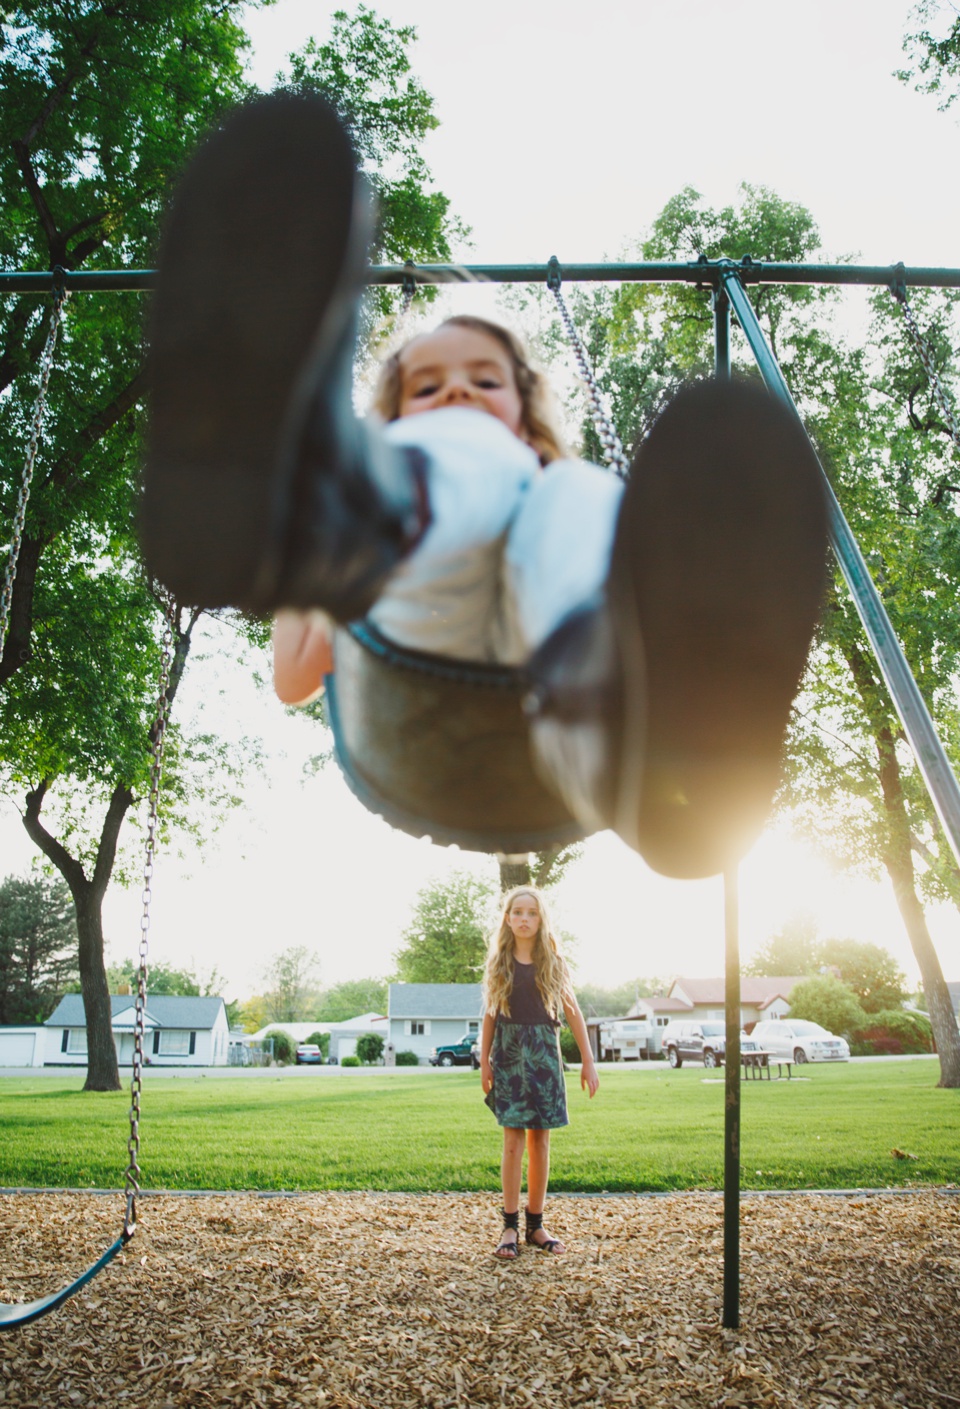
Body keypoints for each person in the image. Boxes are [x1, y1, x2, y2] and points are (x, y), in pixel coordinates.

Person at [142, 90, 828, 879]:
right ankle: (349, 510)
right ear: (387, 419)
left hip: (568, 726)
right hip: (406, 704)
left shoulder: (554, 493)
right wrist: (322, 601)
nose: (456, 393)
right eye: (425, 387)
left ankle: (640, 700)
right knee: (496, 472)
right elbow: (295, 680)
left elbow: (552, 492)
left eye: (483, 381)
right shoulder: (413, 488)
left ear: (526, 406)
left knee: (577, 492)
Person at [479, 885, 597, 1258]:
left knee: (540, 1142)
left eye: (531, 912)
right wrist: (484, 1061)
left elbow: (573, 1012)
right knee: (512, 1141)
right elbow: (489, 1015)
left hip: (545, 1055)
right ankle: (509, 1227)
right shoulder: (499, 963)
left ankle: (536, 1225)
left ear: (540, 918)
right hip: (510, 1055)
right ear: (508, 918)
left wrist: (588, 1060)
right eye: (517, 912)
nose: (524, 919)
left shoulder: (554, 963)